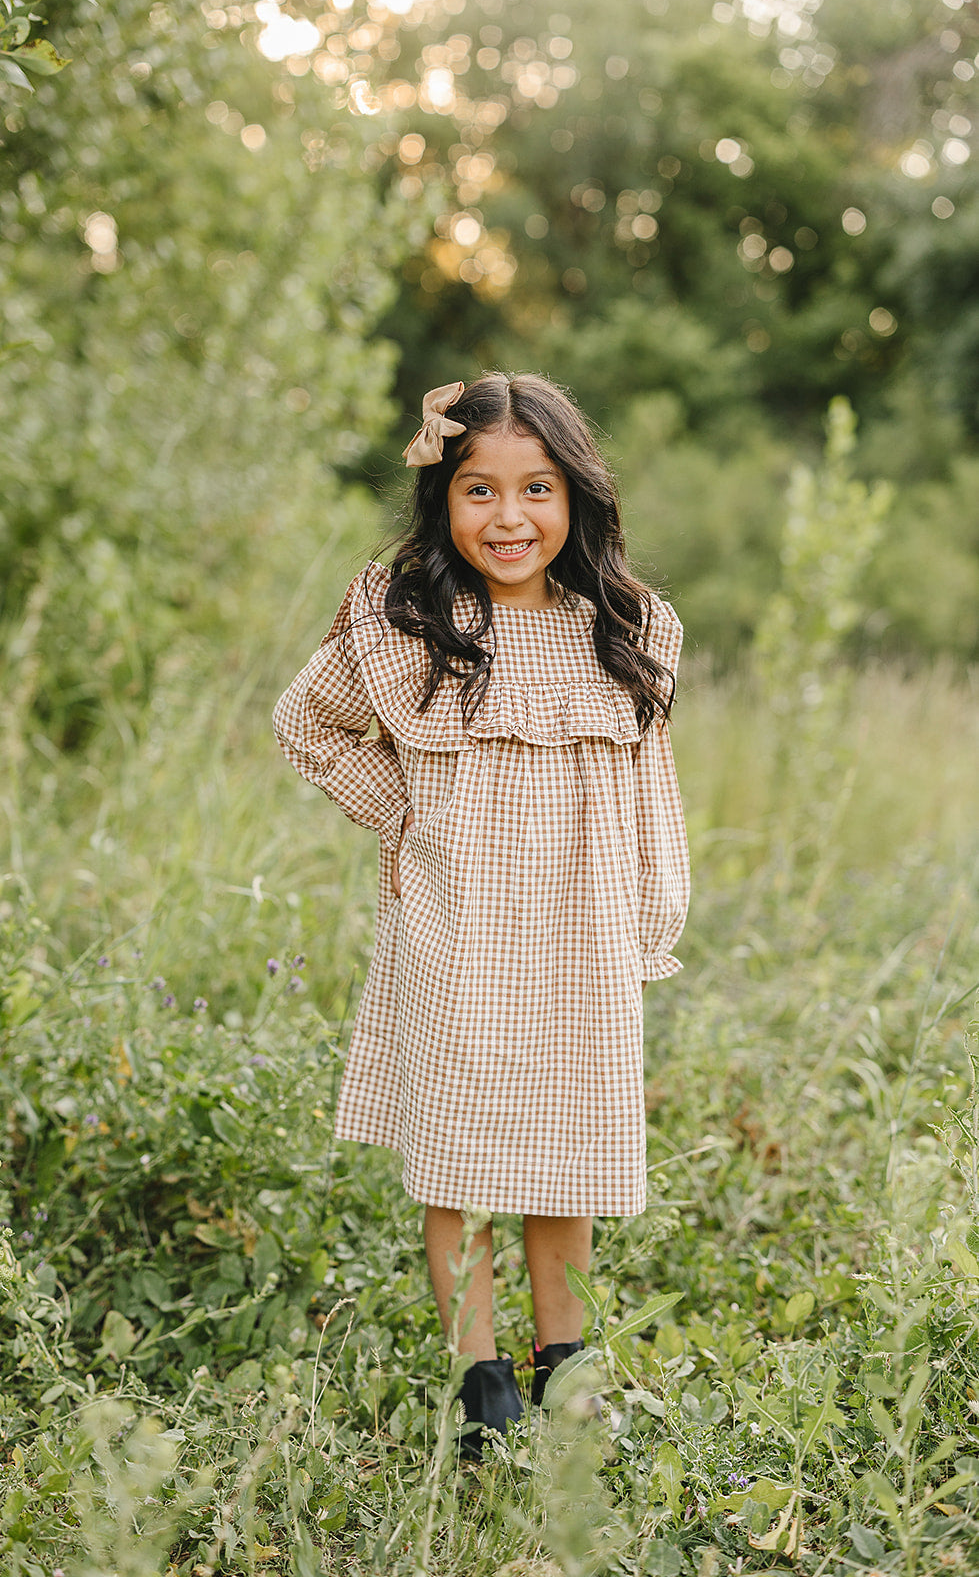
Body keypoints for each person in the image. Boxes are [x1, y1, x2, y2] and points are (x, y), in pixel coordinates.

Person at [273, 372, 689, 1458]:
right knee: (458, 1156)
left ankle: (570, 1368)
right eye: (478, 491)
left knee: (568, 1148)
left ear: (575, 496)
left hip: (579, 930)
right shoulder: (412, 625)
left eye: (535, 489)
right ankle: (479, 1377)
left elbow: (652, 785)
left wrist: (652, 910)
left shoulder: (623, 626)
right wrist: (406, 814)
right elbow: (305, 725)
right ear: (442, 501)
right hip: (453, 930)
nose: (508, 518)